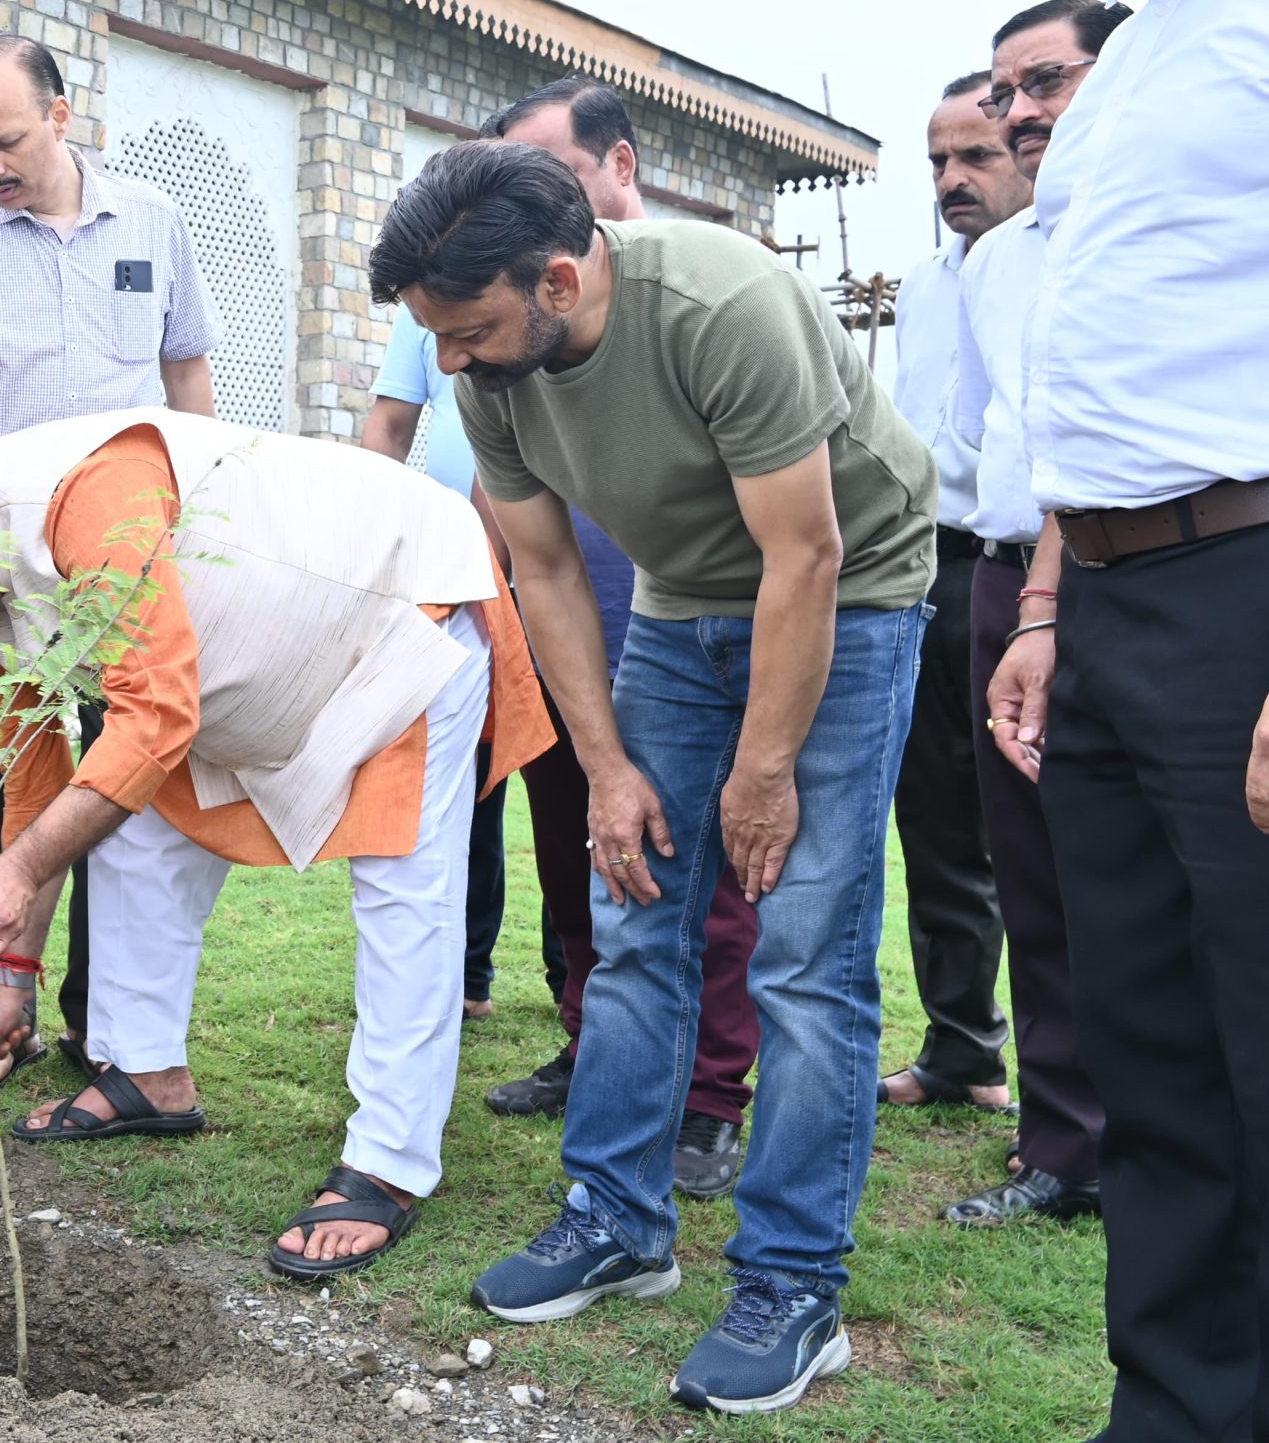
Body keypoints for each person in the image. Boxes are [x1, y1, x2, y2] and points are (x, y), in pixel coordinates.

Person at [913, 0, 1269, 1434]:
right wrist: (1054, 608)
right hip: (1118, 615)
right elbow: (1118, 366)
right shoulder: (1155, 31)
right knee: (1160, 1085)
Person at [376, 143, 933, 1415]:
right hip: (680, 604)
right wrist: (609, 764)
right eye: (436, 337)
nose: (449, 361)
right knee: (634, 915)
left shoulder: (720, 307)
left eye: (469, 330)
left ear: (560, 280)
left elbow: (806, 553)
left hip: (851, 590)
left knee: (803, 948)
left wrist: (763, 772)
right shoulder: (492, 374)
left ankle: (794, 1283)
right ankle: (615, 1218)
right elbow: (550, 571)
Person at [0, 406, 552, 1280]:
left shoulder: (89, 495)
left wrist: (17, 874)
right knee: (131, 834)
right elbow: (39, 781)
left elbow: (155, 717)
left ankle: (390, 1163)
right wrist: (12, 977)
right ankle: (146, 1075)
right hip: (255, 663)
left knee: (403, 885)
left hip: (397, 604)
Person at [0, 33, 220, 1075]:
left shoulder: (156, 222)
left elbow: (187, 383)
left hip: (125, 560)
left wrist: (205, 519)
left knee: (123, 780)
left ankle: (105, 1023)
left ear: (62, 117)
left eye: (6, 141)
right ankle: (1, 999)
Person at [474, 79, 752, 1205]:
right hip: (556, 616)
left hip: (684, 623)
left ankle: (714, 1090)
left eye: (553, 174)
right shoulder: (507, 336)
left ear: (618, 168)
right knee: (581, 847)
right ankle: (597, 1042)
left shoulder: (696, 303)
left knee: (698, 862)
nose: (531, 201)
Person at [932, 0, 1128, 1228]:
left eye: (1042, 83)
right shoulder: (998, 260)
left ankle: (1178, 1133)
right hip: (1007, 576)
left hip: (1139, 565)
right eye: (1008, 96)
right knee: (1034, 867)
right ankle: (1066, 1145)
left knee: (1151, 870)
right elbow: (986, 433)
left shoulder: (1157, 218)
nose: (1019, 116)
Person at [876, 75, 1029, 1117]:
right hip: (921, 565)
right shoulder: (925, 285)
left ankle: (1083, 1082)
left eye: (973, 156)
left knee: (1033, 824)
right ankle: (961, 1045)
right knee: (931, 815)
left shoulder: (1059, 264)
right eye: (936, 160)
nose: (951, 179)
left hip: (1025, 562)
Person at [362, 314, 552, 1027]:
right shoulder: (420, 314)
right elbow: (388, 425)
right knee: (468, 776)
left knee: (566, 780)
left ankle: (579, 985)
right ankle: (467, 973)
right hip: (452, 578)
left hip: (546, 560)